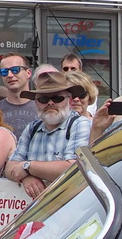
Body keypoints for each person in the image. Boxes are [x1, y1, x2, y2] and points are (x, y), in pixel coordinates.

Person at [6, 69, 92, 199]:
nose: (50, 103)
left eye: (58, 98)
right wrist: (26, 178)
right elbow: (10, 168)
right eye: (43, 99)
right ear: (36, 103)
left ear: (69, 101)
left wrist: (28, 167)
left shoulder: (80, 124)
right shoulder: (32, 128)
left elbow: (73, 169)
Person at [0, 53, 38, 133]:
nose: (10, 75)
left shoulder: (43, 106)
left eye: (15, 70)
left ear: (28, 73)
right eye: (4, 72)